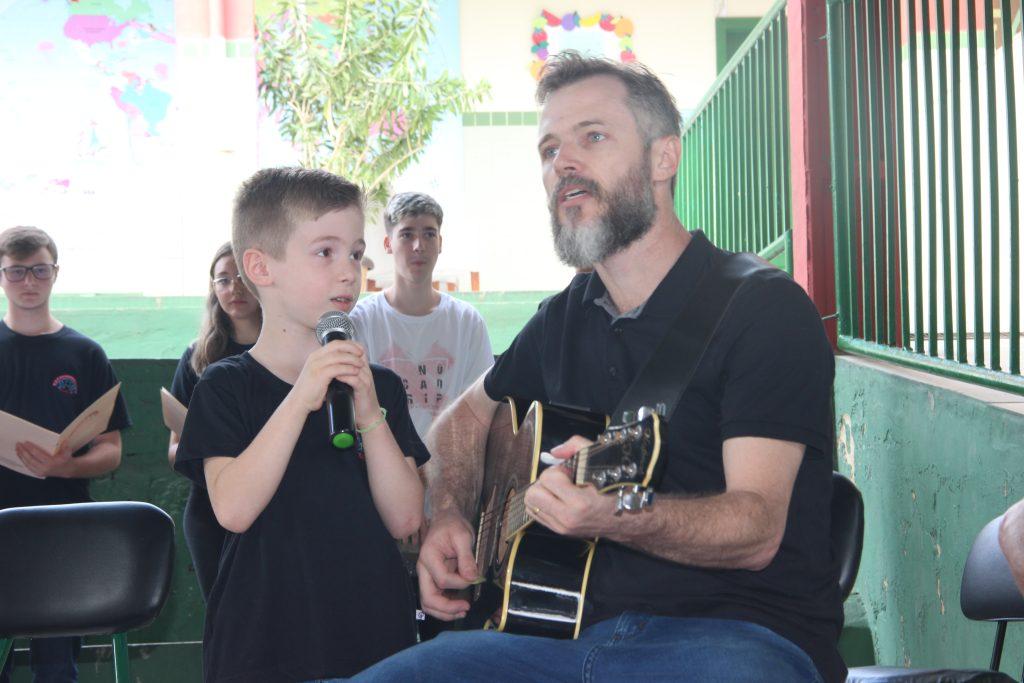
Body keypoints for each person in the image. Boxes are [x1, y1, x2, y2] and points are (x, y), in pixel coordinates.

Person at [354, 53, 843, 683]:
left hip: (737, 637)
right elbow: (463, 420)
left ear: (664, 158)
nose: (564, 164)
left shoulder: (763, 309)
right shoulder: (565, 316)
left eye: (594, 136)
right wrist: (448, 510)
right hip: (553, 638)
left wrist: (614, 516)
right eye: (549, 149)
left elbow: (756, 528)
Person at [173, 167, 430, 682]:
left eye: (356, 253)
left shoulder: (376, 386)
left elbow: (405, 519)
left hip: (372, 628)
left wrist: (368, 413)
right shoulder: (226, 385)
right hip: (266, 637)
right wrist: (299, 398)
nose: (348, 272)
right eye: (325, 252)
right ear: (261, 268)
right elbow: (234, 510)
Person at [0, 226, 131, 683]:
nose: (28, 282)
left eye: (38, 270)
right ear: (2, 277)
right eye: (16, 272)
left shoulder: (86, 354)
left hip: (63, 524)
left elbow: (111, 451)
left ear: (55, 273)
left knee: (56, 666)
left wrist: (67, 465)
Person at [350, 192, 493, 439]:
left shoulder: (466, 322)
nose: (419, 246)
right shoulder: (362, 321)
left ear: (440, 242)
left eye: (429, 234)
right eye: (407, 235)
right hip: (380, 467)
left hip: (452, 465)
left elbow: (482, 408)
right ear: (388, 244)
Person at [168, 241, 261, 602]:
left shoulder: (293, 351)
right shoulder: (198, 356)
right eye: (222, 280)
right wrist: (210, 451)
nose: (234, 288)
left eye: (242, 277)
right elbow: (175, 449)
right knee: (224, 618)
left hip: (278, 509)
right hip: (211, 512)